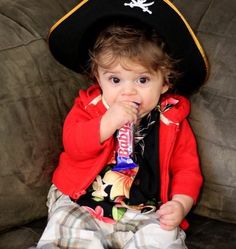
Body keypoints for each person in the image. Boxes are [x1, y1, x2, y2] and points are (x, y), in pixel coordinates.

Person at [36, 0, 209, 248]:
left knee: (164, 235)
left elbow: (187, 170)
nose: (128, 91)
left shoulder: (172, 119)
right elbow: (74, 145)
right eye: (115, 79)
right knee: (66, 225)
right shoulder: (90, 106)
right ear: (98, 77)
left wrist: (181, 203)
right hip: (83, 201)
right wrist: (107, 122)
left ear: (165, 83)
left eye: (142, 79)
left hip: (146, 210)